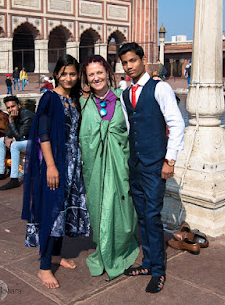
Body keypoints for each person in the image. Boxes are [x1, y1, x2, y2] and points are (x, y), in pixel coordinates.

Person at [118, 43, 185, 294]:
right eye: (125, 63)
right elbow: (130, 126)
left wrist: (169, 161)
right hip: (136, 164)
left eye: (133, 61)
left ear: (143, 59)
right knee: (142, 216)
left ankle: (158, 271)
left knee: (153, 216)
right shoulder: (126, 93)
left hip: (156, 164)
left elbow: (176, 124)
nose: (129, 66)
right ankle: (147, 263)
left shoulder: (160, 88)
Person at [22, 55, 90, 289]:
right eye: (64, 73)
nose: (69, 78)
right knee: (52, 211)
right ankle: (44, 267)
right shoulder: (49, 99)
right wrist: (51, 166)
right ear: (56, 74)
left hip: (73, 163)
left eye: (73, 74)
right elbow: (43, 134)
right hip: (56, 163)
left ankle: (57, 254)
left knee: (63, 210)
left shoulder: (75, 100)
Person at [79, 54, 139, 281]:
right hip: (94, 169)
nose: (96, 78)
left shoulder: (123, 99)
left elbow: (133, 132)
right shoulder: (83, 103)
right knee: (98, 211)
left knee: (122, 210)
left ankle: (121, 249)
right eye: (91, 74)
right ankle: (103, 250)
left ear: (108, 73)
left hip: (120, 166)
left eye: (99, 72)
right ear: (86, 78)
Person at [0, 96, 35, 190]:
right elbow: (9, 132)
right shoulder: (13, 115)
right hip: (24, 140)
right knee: (1, 141)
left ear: (19, 105)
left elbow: (19, 136)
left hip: (35, 142)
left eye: (13, 106)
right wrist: (6, 138)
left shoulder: (27, 116)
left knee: (15, 146)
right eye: (8, 107)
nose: (10, 110)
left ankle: (14, 179)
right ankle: (0, 172)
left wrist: (11, 121)